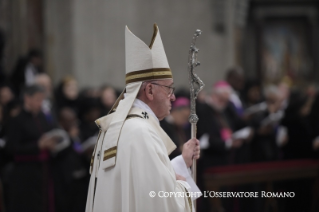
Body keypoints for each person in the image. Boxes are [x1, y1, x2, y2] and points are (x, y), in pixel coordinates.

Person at [85, 24, 200, 212]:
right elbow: (161, 201)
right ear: (149, 90)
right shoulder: (142, 132)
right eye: (169, 88)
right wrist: (184, 186)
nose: (173, 96)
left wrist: (181, 161)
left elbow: (140, 184)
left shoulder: (120, 126)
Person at [6, 85, 57, 212]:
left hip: (44, 170)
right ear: (27, 98)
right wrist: (37, 146)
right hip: (26, 173)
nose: (41, 103)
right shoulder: (16, 120)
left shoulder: (43, 117)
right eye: (38, 99)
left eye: (42, 100)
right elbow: (11, 149)